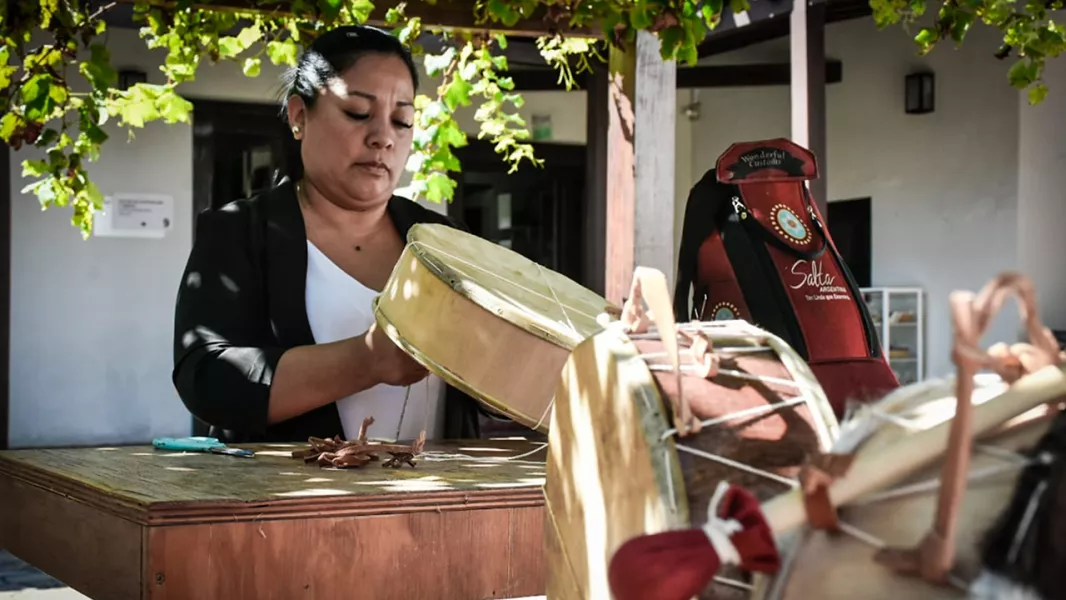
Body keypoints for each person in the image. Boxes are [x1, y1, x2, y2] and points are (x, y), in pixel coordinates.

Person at [172, 25, 485, 443]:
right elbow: (207, 380)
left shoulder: (444, 242)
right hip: (296, 504)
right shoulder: (241, 233)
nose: (383, 138)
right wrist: (368, 360)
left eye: (402, 120)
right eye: (358, 113)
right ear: (299, 116)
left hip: (440, 501)